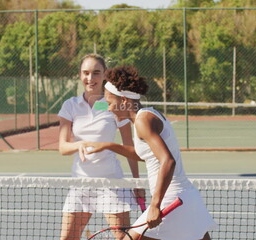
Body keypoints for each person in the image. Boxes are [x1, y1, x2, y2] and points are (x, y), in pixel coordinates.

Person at [83, 65, 218, 240]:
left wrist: (155, 205)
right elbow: (146, 155)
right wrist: (109, 145)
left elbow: (167, 161)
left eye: (110, 103)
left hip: (172, 200)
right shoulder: (146, 115)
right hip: (186, 198)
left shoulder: (143, 121)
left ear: (123, 100)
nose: (108, 109)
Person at [58, 54, 143, 240]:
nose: (90, 78)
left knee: (123, 238)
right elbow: (63, 147)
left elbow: (129, 145)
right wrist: (79, 144)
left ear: (104, 75)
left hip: (111, 183)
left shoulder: (113, 105)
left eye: (96, 73)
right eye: (86, 73)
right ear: (80, 75)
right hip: (80, 184)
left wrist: (137, 182)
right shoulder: (70, 106)